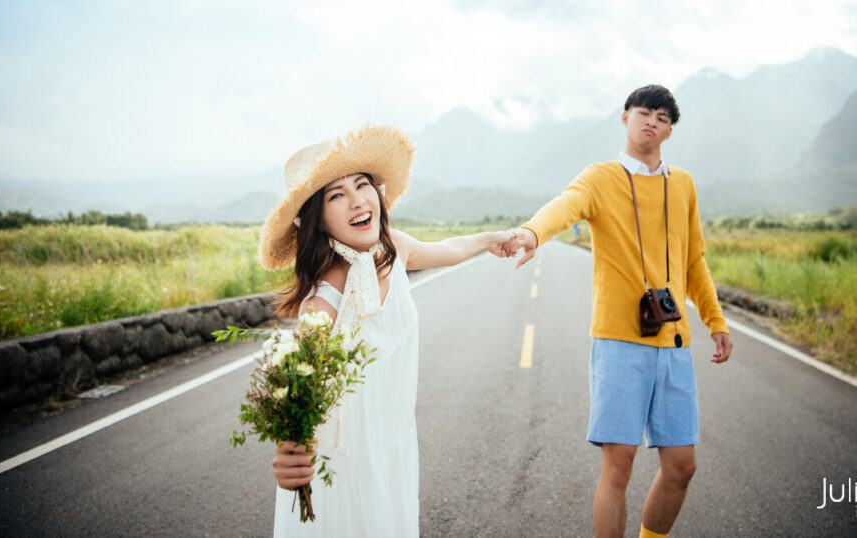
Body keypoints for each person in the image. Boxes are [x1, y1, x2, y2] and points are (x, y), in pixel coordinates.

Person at [257, 124, 511, 538]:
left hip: (391, 444)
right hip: (345, 467)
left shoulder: (392, 247)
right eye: (336, 195)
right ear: (316, 220)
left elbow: (449, 250)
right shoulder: (323, 302)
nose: (357, 200)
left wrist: (491, 239)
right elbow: (299, 394)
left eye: (362, 185)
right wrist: (288, 451)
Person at [505, 85, 733, 538]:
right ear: (625, 117)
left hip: (673, 341)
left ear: (670, 130)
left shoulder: (682, 184)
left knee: (682, 466)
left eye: (663, 117)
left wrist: (716, 320)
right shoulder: (600, 178)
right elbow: (565, 205)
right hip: (619, 341)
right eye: (645, 112)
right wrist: (533, 233)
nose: (653, 121)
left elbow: (694, 261)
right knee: (619, 467)